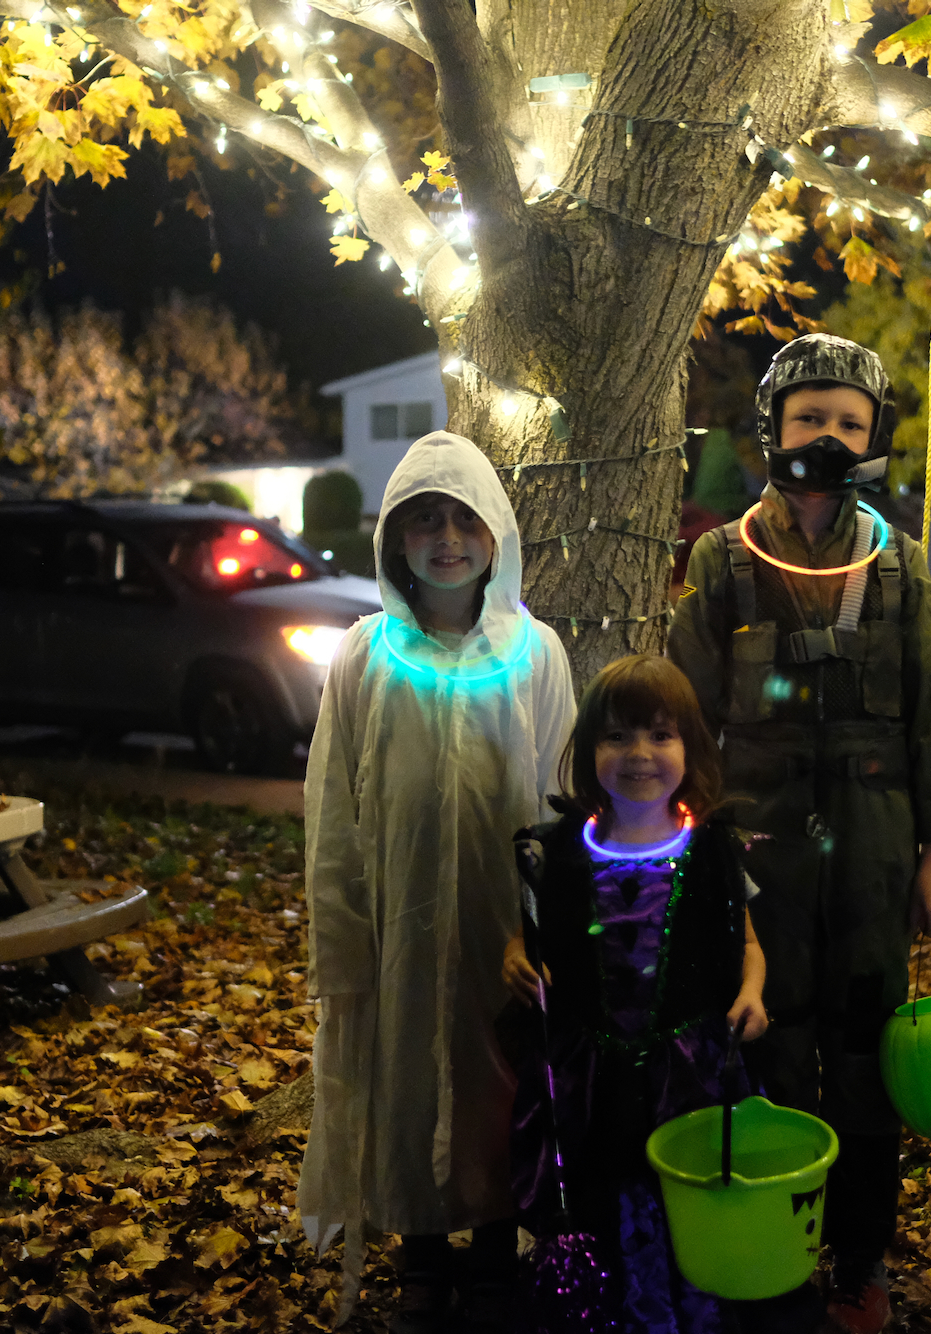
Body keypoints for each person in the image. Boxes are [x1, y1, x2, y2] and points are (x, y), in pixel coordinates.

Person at [667, 333, 931, 1334]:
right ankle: (770, 1249)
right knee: (763, 1039)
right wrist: (684, 846)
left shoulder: (898, 560)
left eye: (848, 421)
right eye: (810, 418)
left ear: (872, 435)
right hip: (756, 840)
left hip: (876, 838)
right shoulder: (720, 560)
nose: (828, 437)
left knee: (862, 1047)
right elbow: (679, 713)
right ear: (772, 428)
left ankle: (858, 1255)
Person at [300, 431, 577, 1333]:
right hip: (400, 926)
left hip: (504, 927)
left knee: (500, 1082)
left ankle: (495, 1249)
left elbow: (564, 795)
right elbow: (335, 813)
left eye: (464, 519)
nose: (447, 539)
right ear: (395, 541)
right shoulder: (365, 659)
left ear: (495, 534)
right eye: (425, 521)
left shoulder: (535, 654)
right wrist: (343, 940)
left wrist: (549, 933)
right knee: (407, 1078)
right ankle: (421, 1252)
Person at [501, 654, 768, 1333]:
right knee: (599, 1191)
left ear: (691, 747)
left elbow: (748, 943)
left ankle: (687, 1311)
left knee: (677, 1192)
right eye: (617, 736)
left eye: (660, 734)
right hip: (588, 1072)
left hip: (687, 1072)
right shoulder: (555, 851)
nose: (639, 754)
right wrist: (514, 958)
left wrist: (753, 993)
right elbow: (525, 934)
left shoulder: (711, 852)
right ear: (589, 747)